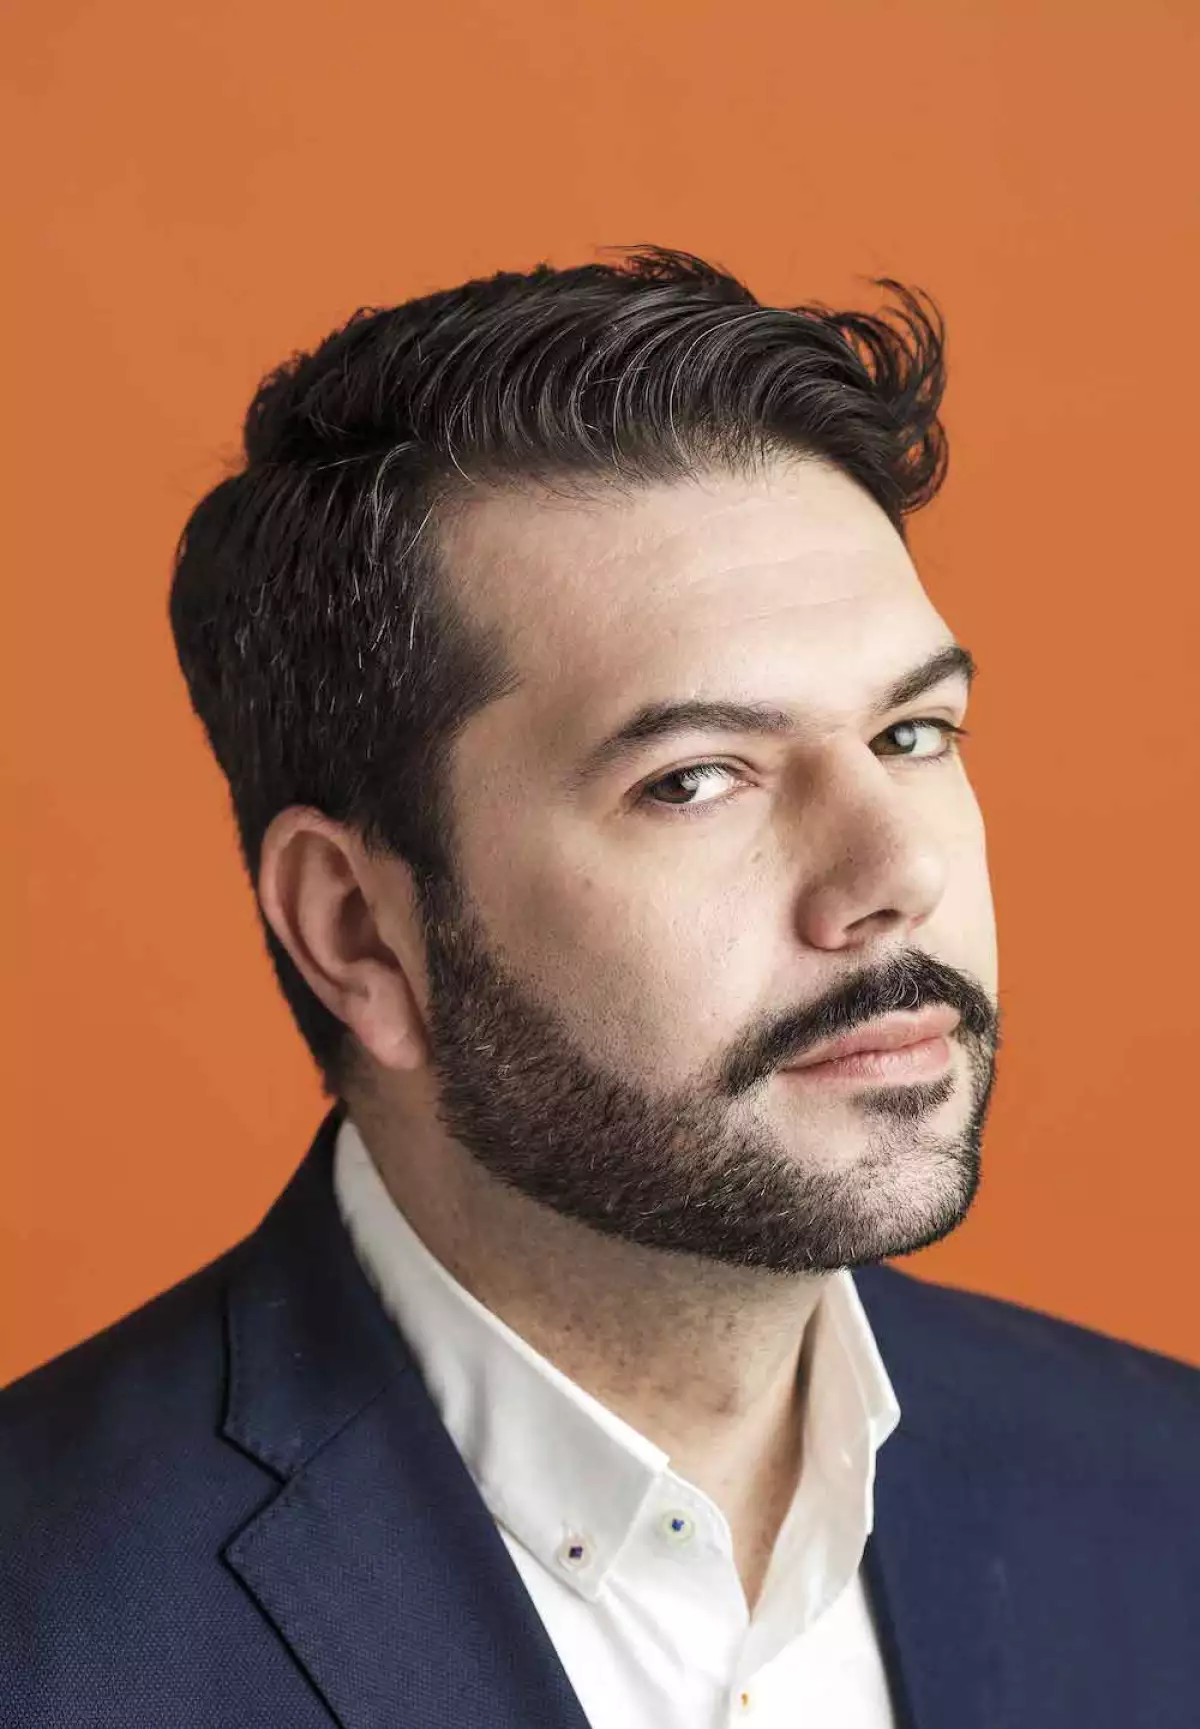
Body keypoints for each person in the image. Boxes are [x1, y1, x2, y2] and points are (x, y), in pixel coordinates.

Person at [1, 247, 1196, 1729]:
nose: (897, 872)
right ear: (359, 931)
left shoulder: (1167, 1502)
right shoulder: (46, 1635)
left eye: (911, 735)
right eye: (694, 778)